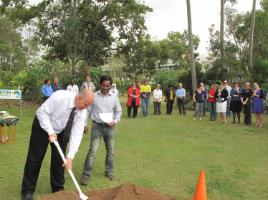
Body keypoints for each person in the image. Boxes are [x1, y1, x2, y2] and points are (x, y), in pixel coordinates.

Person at [21, 89, 94, 200]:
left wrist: (70, 158)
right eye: (85, 104)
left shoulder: (82, 112)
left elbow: (77, 134)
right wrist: (50, 131)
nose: (86, 108)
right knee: (35, 158)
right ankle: (27, 191)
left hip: (61, 130)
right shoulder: (60, 97)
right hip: (42, 125)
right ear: (79, 98)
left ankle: (58, 188)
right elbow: (41, 112)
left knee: (60, 160)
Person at [80, 76, 122, 186]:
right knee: (92, 151)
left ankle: (109, 171)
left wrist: (115, 121)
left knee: (111, 151)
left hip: (110, 127)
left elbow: (118, 111)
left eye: (107, 85)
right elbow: (87, 111)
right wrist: (84, 124)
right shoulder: (93, 96)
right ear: (100, 84)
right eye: (103, 85)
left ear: (110, 86)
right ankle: (86, 175)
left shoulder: (114, 97)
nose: (105, 87)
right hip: (97, 127)